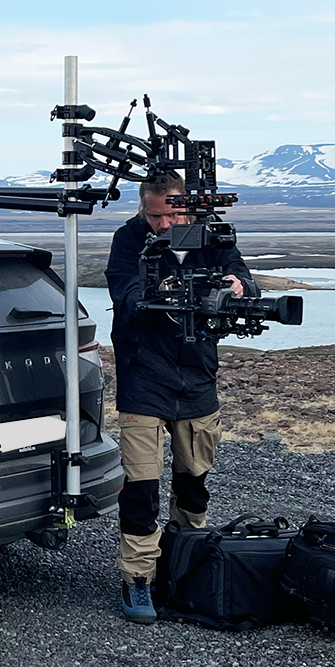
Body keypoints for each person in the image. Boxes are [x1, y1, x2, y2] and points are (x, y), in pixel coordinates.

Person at [104, 172, 259, 623]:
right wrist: (168, 293)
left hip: (197, 379)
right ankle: (138, 580)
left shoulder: (213, 236)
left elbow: (247, 282)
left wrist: (234, 287)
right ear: (143, 208)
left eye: (172, 214)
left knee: (193, 481)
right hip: (143, 380)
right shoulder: (129, 240)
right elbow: (127, 296)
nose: (164, 224)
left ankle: (188, 565)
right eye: (155, 215)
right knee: (140, 486)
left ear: (189, 206)